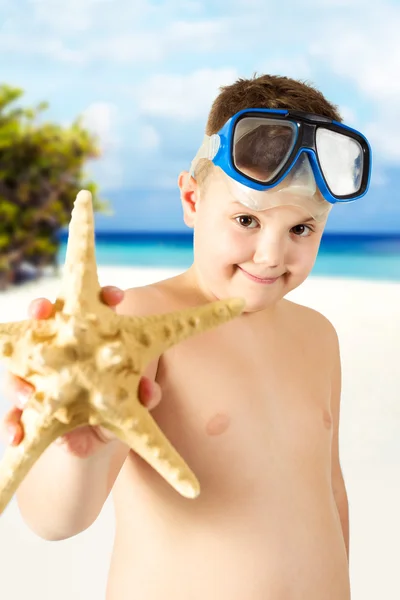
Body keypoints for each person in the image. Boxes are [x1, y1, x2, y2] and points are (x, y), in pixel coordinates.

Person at [1, 73, 372, 599]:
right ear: (193, 199)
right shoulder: (135, 324)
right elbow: (55, 520)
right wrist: (77, 449)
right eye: (246, 218)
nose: (272, 254)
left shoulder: (318, 336)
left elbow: (330, 492)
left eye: (301, 229)